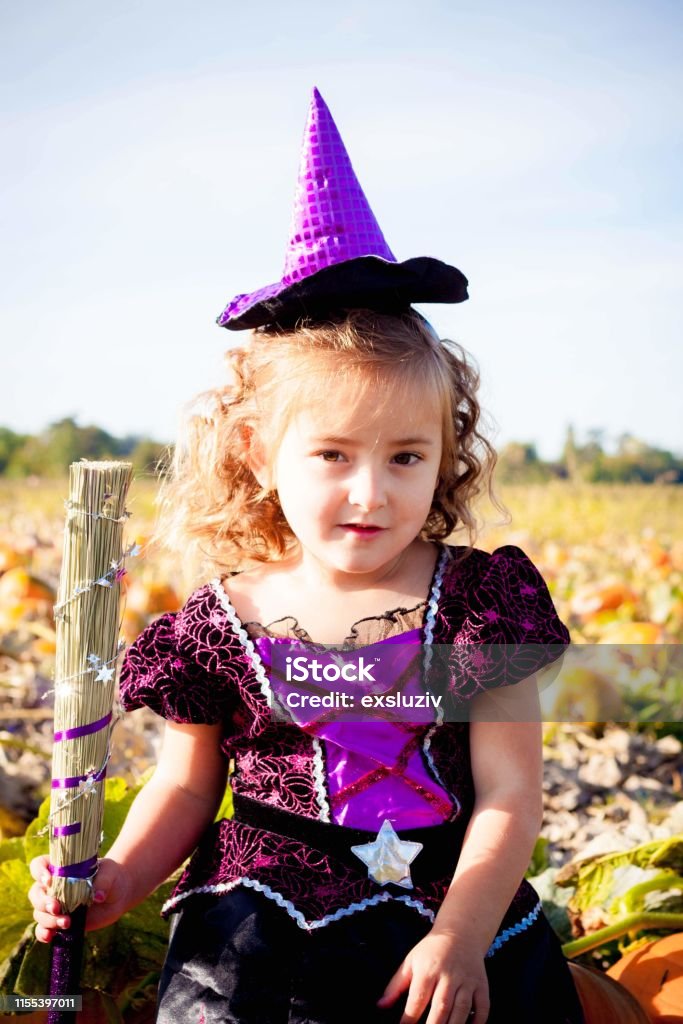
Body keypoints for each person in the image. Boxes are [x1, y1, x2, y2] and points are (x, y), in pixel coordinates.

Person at [29, 89, 584, 1024]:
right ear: (254, 448)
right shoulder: (220, 624)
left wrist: (458, 933)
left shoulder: (479, 604)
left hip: (449, 908)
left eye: (406, 456)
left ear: (444, 451)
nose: (373, 493)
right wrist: (119, 872)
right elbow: (186, 783)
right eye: (332, 455)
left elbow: (507, 796)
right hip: (262, 927)